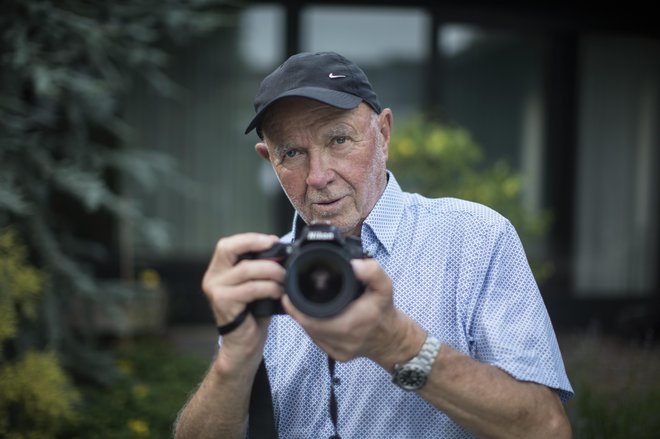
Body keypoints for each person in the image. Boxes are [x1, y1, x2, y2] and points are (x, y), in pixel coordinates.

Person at [174, 51, 573, 439]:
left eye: (339, 140)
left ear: (383, 133)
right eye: (292, 153)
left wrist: (398, 344)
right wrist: (234, 361)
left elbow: (546, 429)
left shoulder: (474, 238)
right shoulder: (264, 275)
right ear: (269, 159)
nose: (318, 176)